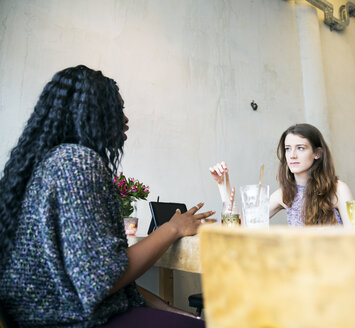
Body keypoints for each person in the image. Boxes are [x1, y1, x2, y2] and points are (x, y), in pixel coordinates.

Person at [0, 65, 214, 327]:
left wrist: (165, 307)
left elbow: (96, 277)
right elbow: (102, 280)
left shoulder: (54, 162)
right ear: (92, 113)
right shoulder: (76, 163)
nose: (125, 119)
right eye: (117, 109)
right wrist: (173, 228)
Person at [209, 123, 353, 226]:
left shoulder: (338, 189)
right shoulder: (284, 194)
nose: (292, 155)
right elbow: (243, 224)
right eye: (288, 149)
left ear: (317, 153)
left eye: (300, 148)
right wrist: (223, 184)